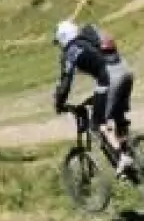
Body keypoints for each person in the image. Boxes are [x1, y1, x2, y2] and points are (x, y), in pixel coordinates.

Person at [53, 16, 135, 177]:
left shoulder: (70, 51)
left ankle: (121, 157)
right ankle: (131, 155)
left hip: (109, 79)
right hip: (126, 72)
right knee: (117, 115)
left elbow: (65, 83)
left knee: (97, 123)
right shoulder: (89, 36)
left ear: (62, 39)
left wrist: (59, 103)